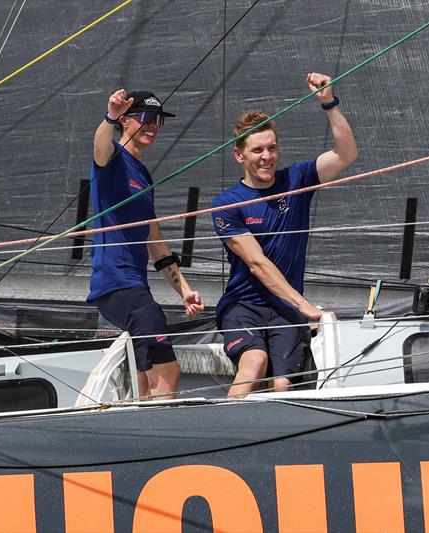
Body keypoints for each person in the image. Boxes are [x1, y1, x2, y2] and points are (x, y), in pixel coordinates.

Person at [211, 72, 358, 398]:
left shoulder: (297, 179)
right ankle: (224, 438)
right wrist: (305, 307)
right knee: (253, 365)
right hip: (243, 305)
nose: (267, 157)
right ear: (240, 155)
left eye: (272, 148)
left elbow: (346, 154)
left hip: (284, 310)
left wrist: (329, 104)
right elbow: (257, 264)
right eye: (257, 150)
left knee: (282, 385)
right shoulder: (226, 205)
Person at [88, 89, 204, 400]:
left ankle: (135, 435)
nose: (153, 125)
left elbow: (156, 243)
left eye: (158, 121)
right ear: (126, 121)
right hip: (118, 283)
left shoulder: (144, 177)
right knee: (167, 372)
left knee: (145, 376)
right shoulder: (111, 158)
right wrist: (109, 116)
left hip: (131, 286)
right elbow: (99, 145)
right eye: (146, 119)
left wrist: (185, 290)